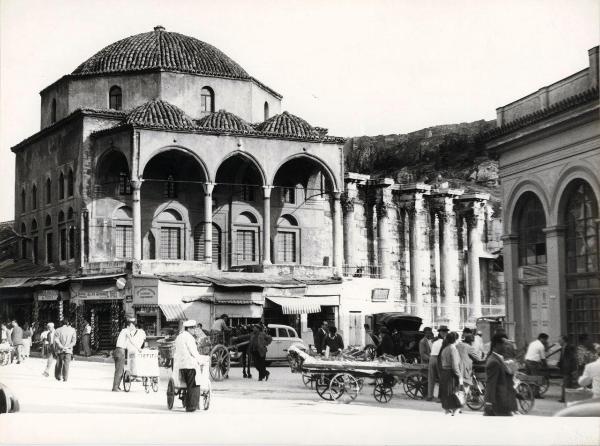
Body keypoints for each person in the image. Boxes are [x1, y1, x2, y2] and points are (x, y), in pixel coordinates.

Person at [174, 320, 206, 411]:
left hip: (181, 365)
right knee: (194, 385)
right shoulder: (189, 338)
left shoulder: (179, 337)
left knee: (188, 385)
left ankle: (188, 403)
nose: (194, 330)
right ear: (189, 329)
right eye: (193, 328)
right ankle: (191, 406)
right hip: (190, 365)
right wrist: (201, 361)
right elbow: (194, 352)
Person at [484, 333, 517, 416]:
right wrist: (489, 403)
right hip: (499, 405)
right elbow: (490, 384)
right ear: (497, 345)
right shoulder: (494, 362)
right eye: (504, 344)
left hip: (505, 404)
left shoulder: (499, 359)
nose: (506, 347)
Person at [438, 331, 463, 415]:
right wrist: (459, 376)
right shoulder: (453, 349)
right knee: (453, 391)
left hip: (444, 372)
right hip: (451, 373)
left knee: (446, 392)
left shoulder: (444, 349)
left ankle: (447, 409)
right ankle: (456, 408)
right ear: (455, 340)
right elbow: (455, 365)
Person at [112, 317, 140, 392]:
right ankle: (115, 388)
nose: (133, 327)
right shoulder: (126, 331)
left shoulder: (123, 332)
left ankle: (117, 386)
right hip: (120, 351)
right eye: (133, 326)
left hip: (118, 351)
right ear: (130, 325)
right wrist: (138, 348)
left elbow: (128, 344)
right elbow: (132, 341)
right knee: (119, 371)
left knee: (119, 370)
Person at [426, 325, 448, 401]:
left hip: (432, 357)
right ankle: (440, 397)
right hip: (439, 358)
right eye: (444, 332)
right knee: (441, 378)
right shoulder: (445, 341)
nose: (445, 333)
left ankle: (429, 396)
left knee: (431, 378)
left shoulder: (434, 340)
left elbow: (431, 348)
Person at [524, 332, 549, 398]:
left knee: (529, 378)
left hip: (527, 361)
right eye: (545, 339)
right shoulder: (541, 346)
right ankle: (536, 394)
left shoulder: (532, 343)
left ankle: (528, 393)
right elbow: (543, 358)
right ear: (542, 339)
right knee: (536, 379)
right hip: (533, 363)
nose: (546, 341)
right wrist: (546, 366)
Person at [556, 335, 577, 403]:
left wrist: (573, 369)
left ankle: (565, 398)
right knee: (566, 384)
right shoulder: (563, 347)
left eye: (560, 340)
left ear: (564, 340)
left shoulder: (569, 347)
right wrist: (559, 363)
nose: (558, 341)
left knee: (566, 384)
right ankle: (565, 398)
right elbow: (562, 358)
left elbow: (573, 359)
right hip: (565, 368)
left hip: (568, 369)